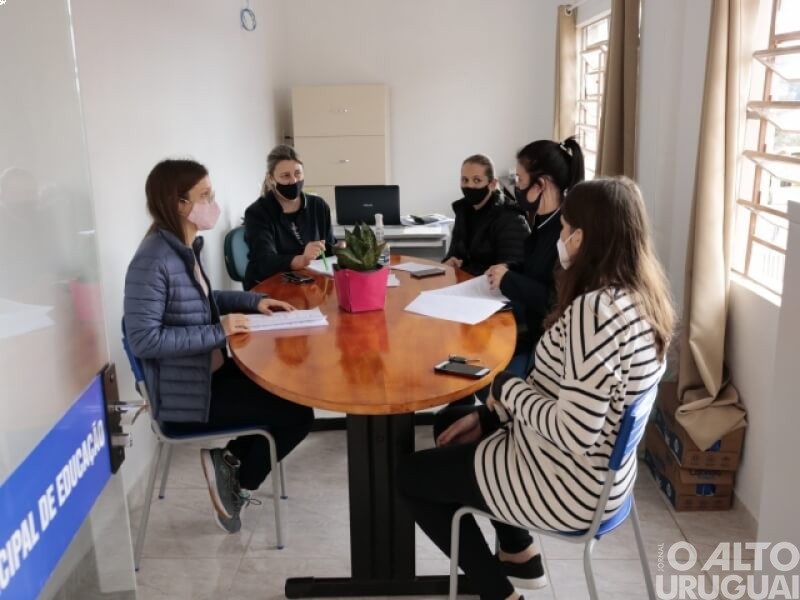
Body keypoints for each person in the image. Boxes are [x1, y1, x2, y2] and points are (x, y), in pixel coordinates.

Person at [399, 177, 676, 600]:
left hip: (566, 483)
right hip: (608, 481)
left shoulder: (594, 312)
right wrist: (491, 412)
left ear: (581, 237)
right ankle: (518, 553)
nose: (560, 238)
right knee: (454, 420)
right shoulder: (641, 299)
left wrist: (506, 390)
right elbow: (569, 394)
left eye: (564, 229)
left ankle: (498, 593)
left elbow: (574, 430)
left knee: (410, 476)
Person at [123, 159, 314, 534]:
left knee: (290, 394)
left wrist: (253, 302)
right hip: (185, 397)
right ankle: (234, 479)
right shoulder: (153, 260)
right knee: (296, 415)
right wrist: (218, 332)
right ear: (179, 204)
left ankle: (227, 464)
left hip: (204, 375)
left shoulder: (183, 247)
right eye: (205, 196)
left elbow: (206, 301)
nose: (214, 203)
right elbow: (144, 339)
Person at [486, 137, 584, 375]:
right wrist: (509, 268)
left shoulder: (567, 235)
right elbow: (535, 267)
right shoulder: (542, 220)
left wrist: (509, 280)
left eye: (519, 180)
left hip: (546, 347)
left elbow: (557, 299)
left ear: (541, 185)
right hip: (531, 331)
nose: (516, 188)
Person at [243, 144, 336, 289]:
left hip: (312, 285)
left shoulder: (319, 206)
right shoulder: (257, 213)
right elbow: (265, 261)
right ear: (271, 178)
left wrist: (342, 249)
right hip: (270, 286)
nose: (293, 181)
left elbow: (329, 248)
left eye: (297, 173)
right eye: (285, 176)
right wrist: (302, 259)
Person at [443, 154, 529, 276]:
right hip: (463, 284)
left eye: (477, 180)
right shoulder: (462, 211)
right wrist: (449, 263)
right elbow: (453, 254)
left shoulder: (510, 216)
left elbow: (512, 270)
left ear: (492, 184)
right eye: (465, 180)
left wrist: (469, 271)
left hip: (492, 290)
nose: (470, 186)